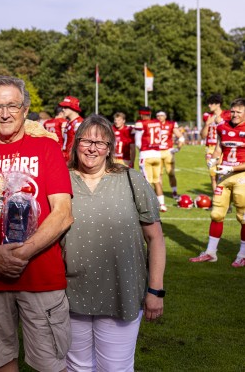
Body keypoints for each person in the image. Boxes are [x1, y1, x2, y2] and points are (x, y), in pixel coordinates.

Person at [0, 76, 74, 372]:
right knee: (0, 362)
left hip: (41, 278)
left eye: (12, 105)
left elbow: (63, 213)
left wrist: (21, 254)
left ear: (25, 109)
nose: (5, 113)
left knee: (51, 364)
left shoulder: (47, 150)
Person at [64, 115, 166, 371]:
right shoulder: (61, 180)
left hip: (122, 292)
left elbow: (155, 239)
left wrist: (155, 291)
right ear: (76, 144)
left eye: (100, 142)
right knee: (77, 367)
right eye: (86, 140)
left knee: (115, 368)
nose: (92, 148)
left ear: (110, 148)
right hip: (70, 294)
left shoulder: (131, 179)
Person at [190, 98, 245, 267]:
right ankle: (210, 252)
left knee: (243, 217)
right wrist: (213, 160)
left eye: (239, 112)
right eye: (233, 111)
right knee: (216, 214)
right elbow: (220, 147)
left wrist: (232, 169)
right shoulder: (223, 126)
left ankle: (242, 254)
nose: (235, 115)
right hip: (224, 175)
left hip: (241, 175)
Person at [134, 106, 167, 212]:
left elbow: (138, 142)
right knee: (157, 181)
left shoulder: (140, 123)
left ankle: (149, 205)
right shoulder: (157, 122)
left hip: (146, 155)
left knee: (146, 182)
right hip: (157, 154)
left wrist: (141, 151)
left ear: (141, 114)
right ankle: (162, 204)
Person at [201, 94, 231, 192]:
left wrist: (221, 122)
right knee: (213, 175)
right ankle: (216, 199)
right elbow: (203, 135)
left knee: (223, 174)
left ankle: (226, 201)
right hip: (210, 148)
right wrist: (207, 124)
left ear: (218, 104)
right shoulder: (207, 116)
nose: (209, 105)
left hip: (223, 146)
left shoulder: (227, 115)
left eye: (211, 103)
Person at [156, 110, 185, 200]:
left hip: (168, 151)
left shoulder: (171, 124)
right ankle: (159, 194)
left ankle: (174, 192)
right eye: (158, 116)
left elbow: (181, 137)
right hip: (156, 151)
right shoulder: (153, 125)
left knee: (171, 173)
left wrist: (178, 148)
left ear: (165, 116)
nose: (159, 117)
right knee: (158, 175)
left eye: (161, 115)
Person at [59, 96, 83, 161]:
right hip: (65, 158)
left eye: (66, 107)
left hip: (73, 160)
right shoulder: (68, 122)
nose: (63, 109)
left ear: (73, 108)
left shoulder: (79, 123)